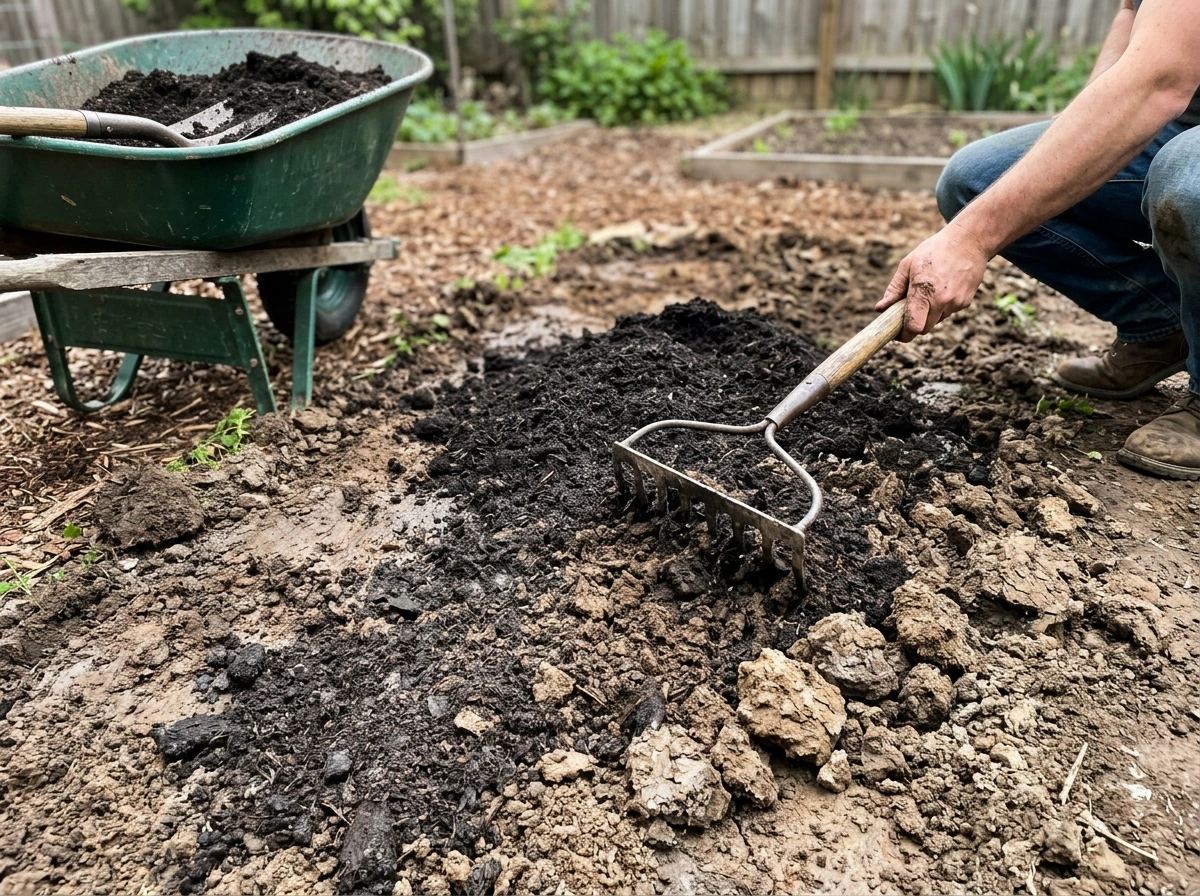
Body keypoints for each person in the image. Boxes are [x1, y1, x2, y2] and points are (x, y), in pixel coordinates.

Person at [878, 0, 1200, 480]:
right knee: (976, 181)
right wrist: (1078, 140)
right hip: (1178, 120)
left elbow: (1161, 79)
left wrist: (969, 238)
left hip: (1177, 121)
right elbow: (1132, 15)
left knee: (1186, 186)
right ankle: (1161, 324)